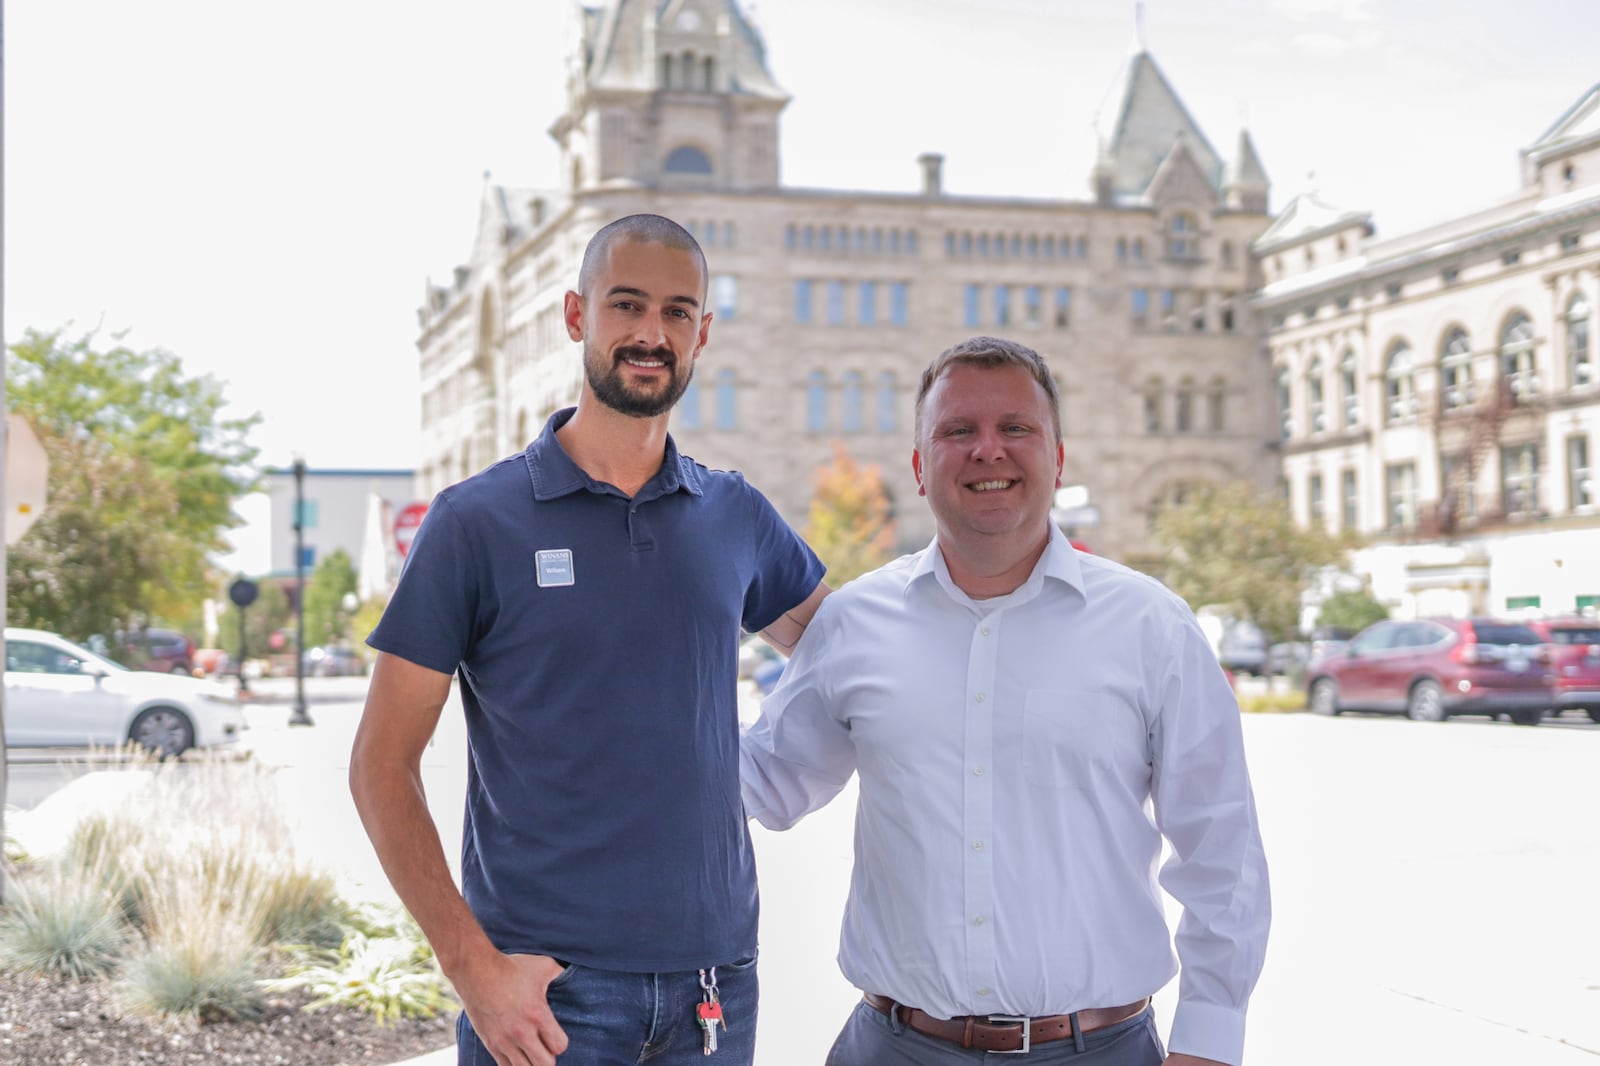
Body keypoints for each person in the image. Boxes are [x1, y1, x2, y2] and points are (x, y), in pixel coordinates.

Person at [350, 213, 828, 1066]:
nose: (652, 334)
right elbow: (380, 768)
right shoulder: (475, 522)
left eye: (678, 312)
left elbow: (852, 652)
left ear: (703, 333)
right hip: (546, 995)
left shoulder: (734, 514)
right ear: (578, 316)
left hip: (715, 984)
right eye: (627, 305)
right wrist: (475, 973)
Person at [741, 336, 1270, 1066]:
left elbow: (1223, 852)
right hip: (895, 1048)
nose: (988, 450)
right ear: (922, 467)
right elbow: (761, 781)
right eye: (959, 430)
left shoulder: (1151, 627)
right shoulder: (854, 624)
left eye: (1015, 428)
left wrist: (1210, 1041)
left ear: (1058, 457)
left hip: (1100, 1050)